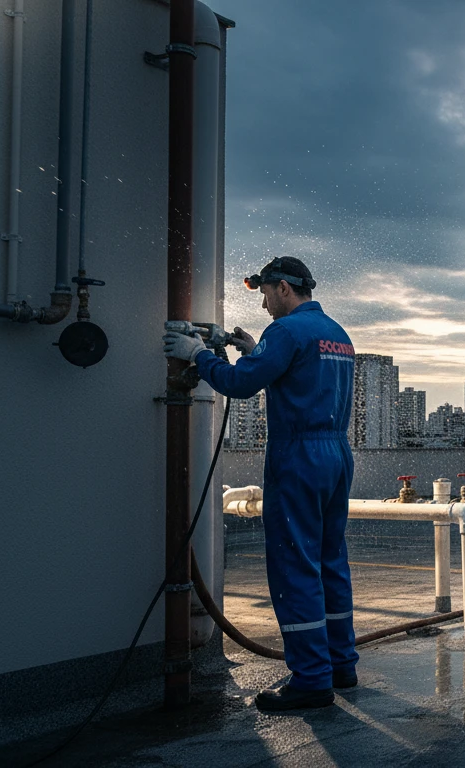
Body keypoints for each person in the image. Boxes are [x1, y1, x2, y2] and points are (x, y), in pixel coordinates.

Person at [162, 256, 357, 712]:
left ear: (285, 288)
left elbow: (239, 385)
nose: (265, 303)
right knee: (330, 560)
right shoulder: (337, 334)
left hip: (299, 456)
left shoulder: (286, 332)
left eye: (267, 293)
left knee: (295, 566)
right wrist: (257, 352)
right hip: (336, 455)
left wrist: (199, 356)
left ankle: (311, 680)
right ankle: (340, 664)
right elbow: (298, 378)